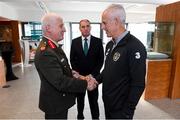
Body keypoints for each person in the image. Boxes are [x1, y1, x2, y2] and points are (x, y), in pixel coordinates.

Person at [34, 13, 97, 119]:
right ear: (48, 28)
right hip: (55, 104)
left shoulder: (52, 46)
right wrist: (85, 83)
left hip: (59, 102)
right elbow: (60, 81)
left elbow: (61, 68)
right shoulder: (46, 52)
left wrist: (77, 75)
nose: (64, 30)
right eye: (61, 26)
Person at [94, 4, 147, 119]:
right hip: (109, 104)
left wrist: (127, 111)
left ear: (116, 21)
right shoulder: (109, 45)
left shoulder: (135, 46)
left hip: (122, 110)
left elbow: (138, 84)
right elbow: (108, 69)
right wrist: (96, 80)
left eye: (104, 23)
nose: (102, 27)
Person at [70, 19, 104, 119]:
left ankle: (95, 118)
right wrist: (80, 76)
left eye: (87, 26)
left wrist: (92, 75)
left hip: (93, 78)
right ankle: (80, 117)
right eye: (83, 26)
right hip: (80, 78)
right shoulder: (74, 42)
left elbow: (100, 60)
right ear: (79, 28)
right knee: (80, 101)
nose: (86, 29)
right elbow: (72, 60)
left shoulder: (98, 41)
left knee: (93, 101)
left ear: (90, 27)